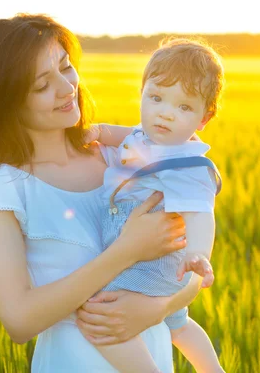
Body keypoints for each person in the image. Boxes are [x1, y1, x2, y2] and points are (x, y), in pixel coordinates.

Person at [0, 14, 204, 372]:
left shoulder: (123, 157)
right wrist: (125, 251)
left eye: (65, 66)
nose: (66, 87)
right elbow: (19, 321)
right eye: (42, 85)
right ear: (5, 101)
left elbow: (194, 262)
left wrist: (158, 308)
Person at [89, 39, 225, 372]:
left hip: (150, 264)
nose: (165, 112)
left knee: (99, 313)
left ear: (204, 119)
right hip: (150, 259)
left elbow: (201, 215)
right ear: (142, 93)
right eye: (156, 98)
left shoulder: (188, 165)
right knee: (178, 323)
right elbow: (128, 135)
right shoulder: (148, 136)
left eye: (184, 107)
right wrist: (99, 131)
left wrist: (198, 254)